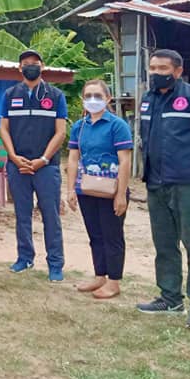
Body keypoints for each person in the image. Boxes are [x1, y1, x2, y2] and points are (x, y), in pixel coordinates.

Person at [136, 49, 190, 331]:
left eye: (162, 68)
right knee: (164, 245)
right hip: (156, 183)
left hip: (188, 185)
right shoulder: (148, 99)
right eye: (152, 68)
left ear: (177, 71)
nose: (155, 73)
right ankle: (170, 298)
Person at [0, 49, 68, 282]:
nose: (31, 66)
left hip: (46, 167)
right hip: (17, 165)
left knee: (51, 216)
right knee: (22, 214)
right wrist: (13, 156)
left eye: (35, 62)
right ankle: (25, 258)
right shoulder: (10, 94)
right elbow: (4, 129)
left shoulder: (55, 95)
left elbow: (60, 132)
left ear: (42, 66)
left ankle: (55, 264)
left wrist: (44, 159)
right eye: (26, 63)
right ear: (19, 68)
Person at [65, 79, 133, 300]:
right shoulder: (79, 127)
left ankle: (114, 281)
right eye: (88, 96)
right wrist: (70, 190)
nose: (92, 100)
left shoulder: (117, 126)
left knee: (112, 235)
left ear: (108, 98)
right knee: (95, 235)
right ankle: (99, 275)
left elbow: (125, 161)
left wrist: (121, 194)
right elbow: (73, 159)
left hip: (112, 189)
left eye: (97, 96)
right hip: (87, 189)